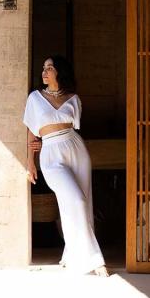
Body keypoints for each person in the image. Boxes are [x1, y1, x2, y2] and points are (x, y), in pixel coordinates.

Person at [23, 56, 109, 277]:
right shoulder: (35, 98)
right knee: (76, 199)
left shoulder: (73, 99)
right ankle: (94, 259)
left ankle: (72, 253)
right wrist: (30, 162)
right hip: (51, 154)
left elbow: (74, 128)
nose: (45, 71)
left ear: (59, 72)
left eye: (50, 68)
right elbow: (32, 131)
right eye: (43, 68)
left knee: (83, 201)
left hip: (76, 149)